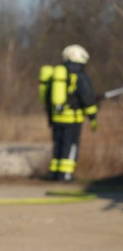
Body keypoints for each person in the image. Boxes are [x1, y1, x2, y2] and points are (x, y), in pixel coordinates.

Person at [42, 44, 99, 182]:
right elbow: (87, 98)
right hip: (73, 119)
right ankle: (66, 175)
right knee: (71, 145)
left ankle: (55, 173)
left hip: (57, 118)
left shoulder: (57, 74)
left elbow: (48, 98)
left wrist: (50, 117)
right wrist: (93, 117)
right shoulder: (80, 76)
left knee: (59, 145)